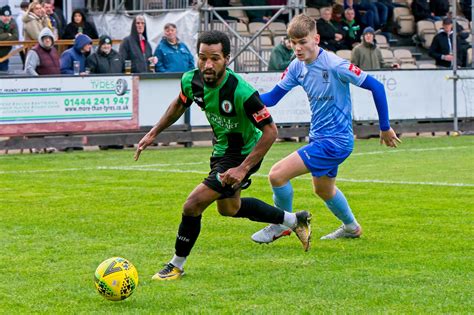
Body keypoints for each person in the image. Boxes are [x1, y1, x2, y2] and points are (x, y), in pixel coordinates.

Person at [134, 30, 312, 280]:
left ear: (227, 59)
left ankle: (176, 265)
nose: (207, 64)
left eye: (215, 58)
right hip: (221, 151)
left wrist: (242, 168)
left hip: (243, 154)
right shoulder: (191, 81)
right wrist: (154, 132)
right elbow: (179, 103)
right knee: (229, 208)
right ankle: (296, 220)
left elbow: (271, 132)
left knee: (193, 204)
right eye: (202, 57)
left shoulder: (242, 92)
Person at [251, 14, 401, 244]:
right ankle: (352, 227)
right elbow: (272, 98)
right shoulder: (296, 67)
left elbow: (377, 87)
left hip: (335, 142)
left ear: (316, 39)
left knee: (277, 175)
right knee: (323, 189)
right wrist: (245, 97)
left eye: (303, 42)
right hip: (320, 139)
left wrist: (384, 127)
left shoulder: (334, 64)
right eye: (293, 42)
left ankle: (281, 225)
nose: (298, 48)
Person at [0, 5, 18, 72]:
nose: (7, 18)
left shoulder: (12, 23)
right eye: (4, 16)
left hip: (5, 56)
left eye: (8, 16)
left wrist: (3, 36)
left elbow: (15, 37)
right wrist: (8, 34)